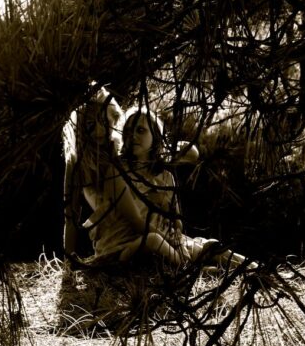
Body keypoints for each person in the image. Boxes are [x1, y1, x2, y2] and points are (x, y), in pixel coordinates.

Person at [84, 105, 256, 270]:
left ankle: (256, 269)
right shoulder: (117, 172)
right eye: (128, 131)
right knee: (153, 241)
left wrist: (176, 236)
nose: (133, 135)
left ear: (155, 136)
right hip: (124, 246)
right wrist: (171, 241)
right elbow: (136, 222)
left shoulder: (165, 176)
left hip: (165, 239)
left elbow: (176, 221)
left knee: (210, 245)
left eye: (140, 130)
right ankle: (190, 269)